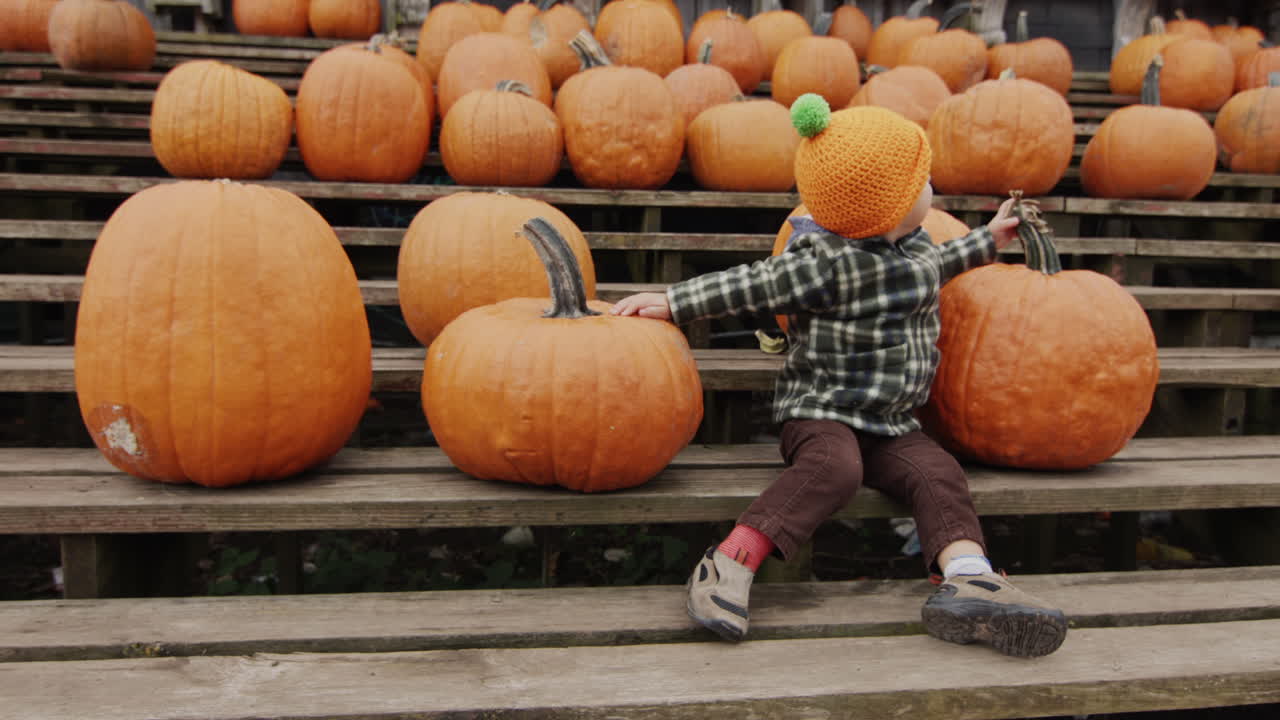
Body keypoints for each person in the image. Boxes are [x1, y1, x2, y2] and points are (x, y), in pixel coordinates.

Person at [610, 94, 1068, 658]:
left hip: (891, 422)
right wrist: (674, 300)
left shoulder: (918, 244)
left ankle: (968, 578)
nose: (932, 191)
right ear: (889, 208)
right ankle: (731, 560)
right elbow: (755, 284)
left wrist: (988, 241)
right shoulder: (824, 261)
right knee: (834, 469)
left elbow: (938, 265)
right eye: (921, 184)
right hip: (821, 410)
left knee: (938, 473)